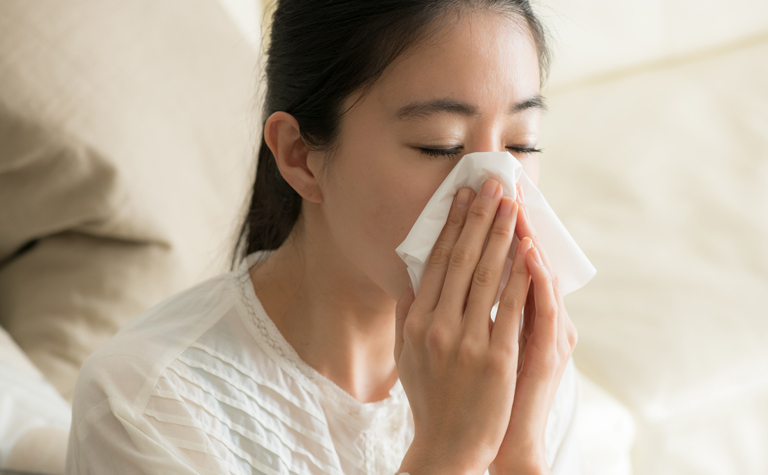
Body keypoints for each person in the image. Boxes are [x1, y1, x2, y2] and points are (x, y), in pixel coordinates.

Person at [66, 1, 582, 474]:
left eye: (521, 145)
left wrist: (519, 455)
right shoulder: (147, 403)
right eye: (439, 145)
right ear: (299, 156)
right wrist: (452, 451)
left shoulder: (533, 371)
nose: (497, 188)